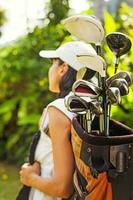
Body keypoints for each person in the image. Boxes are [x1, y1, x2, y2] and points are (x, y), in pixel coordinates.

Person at [18, 41, 97, 200]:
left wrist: (29, 177)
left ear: (63, 68)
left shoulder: (59, 109)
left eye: (53, 63)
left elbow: (62, 187)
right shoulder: (90, 106)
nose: (50, 69)